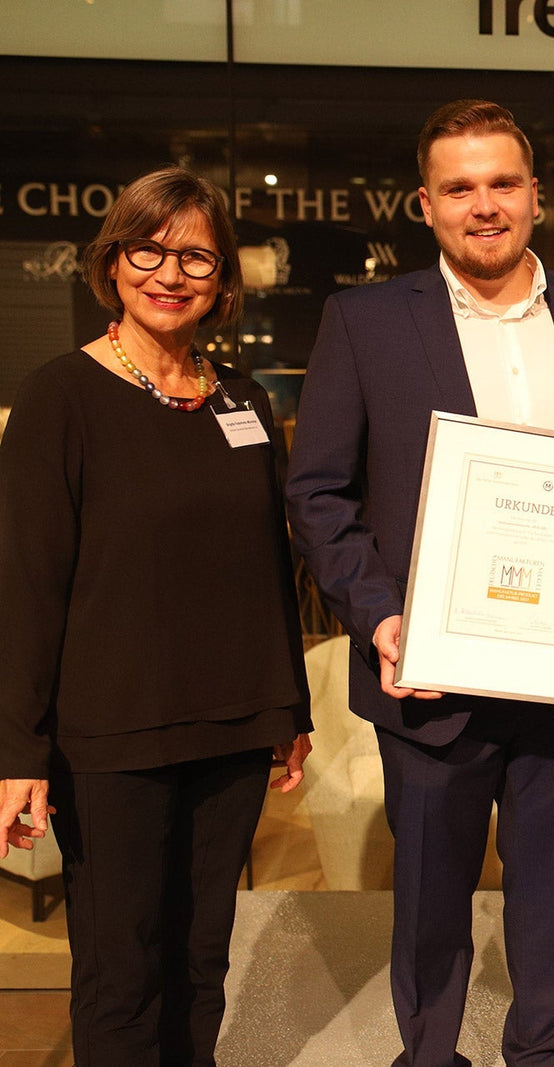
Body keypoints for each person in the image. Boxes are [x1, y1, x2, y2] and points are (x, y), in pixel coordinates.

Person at [285, 99, 554, 1067]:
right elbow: (318, 492)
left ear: (536, 195)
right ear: (425, 203)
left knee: (553, 895)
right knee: (429, 902)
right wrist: (381, 616)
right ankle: (429, 1055)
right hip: (430, 669)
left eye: (501, 183)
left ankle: (543, 1054)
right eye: (459, 188)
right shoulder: (364, 321)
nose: (482, 205)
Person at [0, 165, 313, 1065]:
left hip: (231, 730)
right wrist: (17, 751)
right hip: (111, 739)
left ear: (223, 279)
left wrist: (288, 708)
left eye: (196, 257)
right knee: (121, 971)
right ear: (113, 262)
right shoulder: (60, 396)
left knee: (202, 963)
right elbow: (25, 584)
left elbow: (267, 568)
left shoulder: (244, 400)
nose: (170, 274)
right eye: (148, 250)